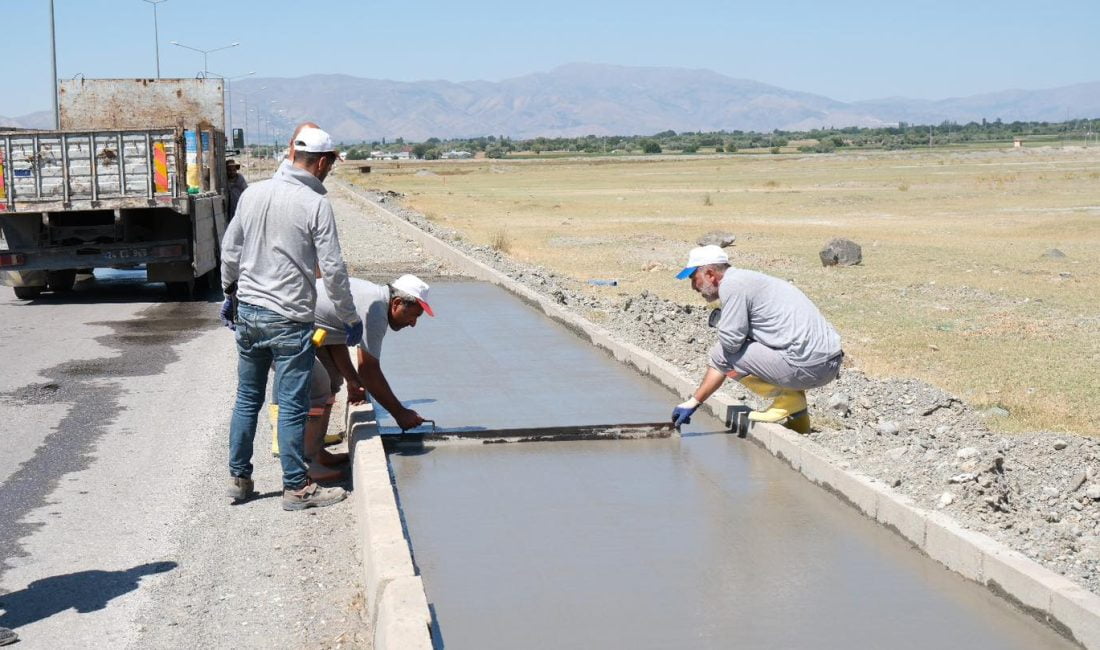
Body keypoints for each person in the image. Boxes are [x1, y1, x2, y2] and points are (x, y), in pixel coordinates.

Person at [220, 125, 362, 511]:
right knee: (292, 403)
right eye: (331, 163)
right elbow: (332, 270)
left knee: (247, 398)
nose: (330, 170)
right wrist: (350, 318)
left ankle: (239, 479)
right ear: (319, 162)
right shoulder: (315, 204)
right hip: (288, 319)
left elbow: (231, 250)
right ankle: (297, 487)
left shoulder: (254, 193)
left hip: (249, 312)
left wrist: (229, 293)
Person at [268, 274, 433, 480]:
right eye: (413, 316)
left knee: (333, 379)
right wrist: (399, 413)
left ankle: (317, 452)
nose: (413, 323)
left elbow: (334, 336)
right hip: (279, 327)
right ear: (397, 303)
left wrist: (352, 379)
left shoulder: (374, 298)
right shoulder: (375, 309)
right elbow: (369, 370)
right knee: (318, 384)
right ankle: (307, 465)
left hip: (301, 327)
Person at [670, 245, 843, 433]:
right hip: (828, 362)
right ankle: (800, 429)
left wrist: (693, 402)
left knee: (721, 353)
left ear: (710, 274)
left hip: (810, 366)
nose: (693, 287)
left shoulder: (731, 286)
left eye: (694, 279)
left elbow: (729, 345)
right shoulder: (747, 279)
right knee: (741, 347)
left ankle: (788, 397)